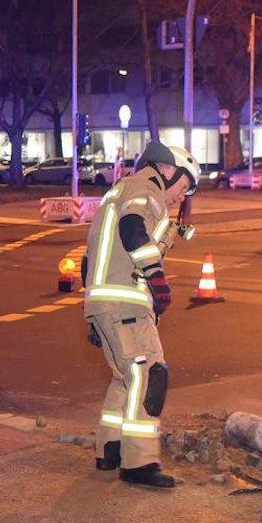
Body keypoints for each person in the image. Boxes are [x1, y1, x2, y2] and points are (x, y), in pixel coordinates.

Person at [82, 141, 200, 489]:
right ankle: (140, 463)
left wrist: (94, 314)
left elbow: (90, 257)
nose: (180, 197)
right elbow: (133, 228)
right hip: (126, 301)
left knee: (125, 377)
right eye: (183, 186)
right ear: (168, 169)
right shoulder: (147, 189)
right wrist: (157, 278)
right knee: (150, 376)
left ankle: (111, 449)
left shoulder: (118, 192)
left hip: (103, 302)